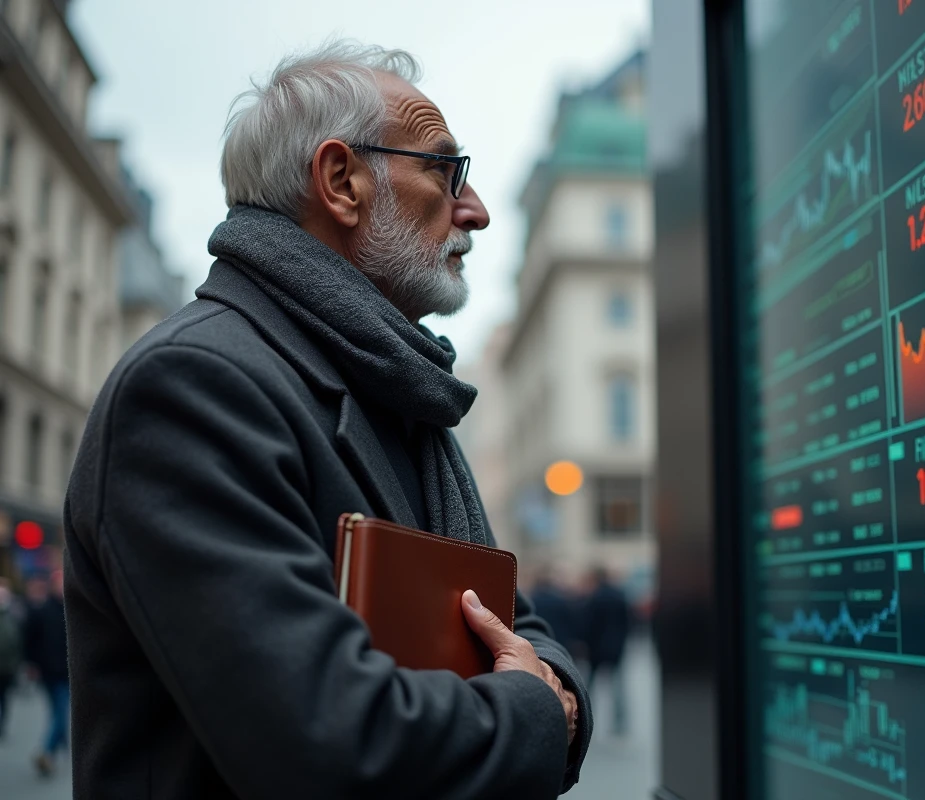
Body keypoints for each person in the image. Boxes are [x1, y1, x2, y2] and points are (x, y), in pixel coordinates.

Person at [63, 41, 590, 799]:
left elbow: (514, 623)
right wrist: (542, 707)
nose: (474, 210)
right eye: (446, 171)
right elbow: (330, 742)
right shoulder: (193, 385)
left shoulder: (403, 392)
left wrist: (550, 684)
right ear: (342, 182)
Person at [21, 571, 69, 775]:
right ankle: (48, 750)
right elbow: (29, 640)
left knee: (59, 712)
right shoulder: (42, 611)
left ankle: (56, 748)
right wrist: (31, 665)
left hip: (65, 672)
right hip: (50, 672)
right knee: (59, 713)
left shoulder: (70, 612)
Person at [582, 566, 632, 736]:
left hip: (597, 648)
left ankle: (583, 717)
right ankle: (620, 723)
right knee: (618, 687)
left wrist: (586, 644)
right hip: (616, 647)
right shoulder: (619, 595)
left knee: (590, 686)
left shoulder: (595, 597)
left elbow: (589, 624)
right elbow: (628, 622)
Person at [0, 577, 21, 740]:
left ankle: (3, 724)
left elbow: (19, 641)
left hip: (8, 666)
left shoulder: (15, 613)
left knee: (5, 698)